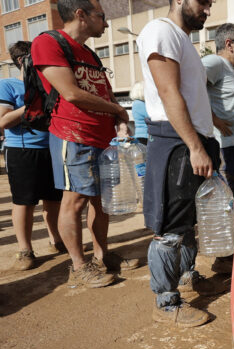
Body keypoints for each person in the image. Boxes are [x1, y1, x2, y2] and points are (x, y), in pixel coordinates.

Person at [31, 0, 139, 288]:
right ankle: (79, 266)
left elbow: (105, 91)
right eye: (102, 17)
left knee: (101, 202)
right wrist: (116, 110)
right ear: (81, 15)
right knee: (74, 200)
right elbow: (71, 93)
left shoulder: (89, 53)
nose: (105, 23)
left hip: (103, 139)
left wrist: (119, 117)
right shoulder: (47, 42)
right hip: (73, 135)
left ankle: (102, 255)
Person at [138, 0, 223, 328]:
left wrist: (206, 141)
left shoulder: (182, 40)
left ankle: (187, 276)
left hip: (194, 140)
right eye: (203, 2)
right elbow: (168, 92)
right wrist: (193, 146)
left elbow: (193, 97)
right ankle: (165, 301)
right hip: (176, 142)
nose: (207, 9)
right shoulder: (161, 31)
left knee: (189, 223)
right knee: (170, 230)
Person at [0, 41, 65, 271]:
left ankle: (56, 240)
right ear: (23, 60)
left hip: (52, 147)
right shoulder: (6, 84)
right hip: (22, 149)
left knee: (54, 199)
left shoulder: (50, 84)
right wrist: (32, 102)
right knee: (24, 201)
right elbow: (4, 120)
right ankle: (25, 249)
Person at [201, 22, 234, 275]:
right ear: (229, 44)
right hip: (228, 148)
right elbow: (191, 85)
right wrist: (213, 119)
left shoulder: (229, 70)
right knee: (232, 202)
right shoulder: (215, 62)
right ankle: (225, 258)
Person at [130, 81, 149, 146]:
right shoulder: (139, 103)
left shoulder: (137, 103)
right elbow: (150, 116)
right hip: (144, 135)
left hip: (142, 135)